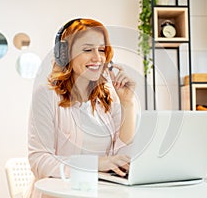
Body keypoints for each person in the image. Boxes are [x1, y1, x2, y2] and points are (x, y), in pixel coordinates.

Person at [25, 18, 137, 198]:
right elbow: (39, 160)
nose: (98, 58)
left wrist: (128, 104)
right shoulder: (46, 95)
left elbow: (123, 158)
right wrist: (95, 164)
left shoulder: (108, 98)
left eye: (101, 50)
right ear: (65, 55)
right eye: (87, 50)